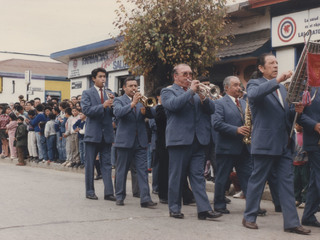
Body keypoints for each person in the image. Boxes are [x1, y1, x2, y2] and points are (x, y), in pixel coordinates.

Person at [242, 53, 310, 235]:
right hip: (264, 143)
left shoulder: (283, 90)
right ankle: (249, 217)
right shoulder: (255, 84)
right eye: (271, 63)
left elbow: (286, 116)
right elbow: (254, 96)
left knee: (287, 184)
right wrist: (278, 80)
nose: (275, 65)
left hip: (283, 144)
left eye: (277, 63)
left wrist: (296, 110)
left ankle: (291, 223)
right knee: (257, 181)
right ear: (261, 68)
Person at [161, 63, 221, 220]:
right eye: (185, 74)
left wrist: (204, 98)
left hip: (198, 140)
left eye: (190, 73)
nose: (189, 76)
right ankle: (174, 208)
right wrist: (191, 92)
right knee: (176, 176)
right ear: (176, 76)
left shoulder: (196, 93)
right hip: (179, 141)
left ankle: (204, 210)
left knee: (198, 177)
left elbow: (212, 110)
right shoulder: (168, 91)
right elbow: (173, 106)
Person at [113, 76, 156, 208]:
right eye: (131, 86)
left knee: (142, 171)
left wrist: (147, 109)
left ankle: (145, 199)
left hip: (140, 141)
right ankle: (120, 196)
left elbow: (153, 114)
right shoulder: (118, 100)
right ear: (124, 88)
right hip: (124, 141)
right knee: (122, 170)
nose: (134, 88)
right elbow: (118, 113)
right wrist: (132, 104)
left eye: (135, 86)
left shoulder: (141, 100)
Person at [212, 76, 252, 214]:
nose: (239, 87)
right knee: (222, 178)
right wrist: (236, 130)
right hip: (226, 147)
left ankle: (252, 207)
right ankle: (219, 205)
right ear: (226, 87)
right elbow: (216, 124)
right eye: (235, 85)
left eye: (239, 84)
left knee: (248, 177)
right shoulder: (219, 103)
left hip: (244, 146)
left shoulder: (244, 103)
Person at [81, 67, 115, 201]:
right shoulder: (87, 93)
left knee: (107, 164)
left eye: (104, 77)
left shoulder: (110, 93)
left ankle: (109, 192)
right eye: (100, 77)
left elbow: (114, 113)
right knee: (90, 164)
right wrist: (103, 105)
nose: (103, 79)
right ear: (93, 79)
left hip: (106, 134)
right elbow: (87, 110)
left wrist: (113, 104)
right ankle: (89, 191)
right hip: (93, 134)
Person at [298, 87, 320, 227]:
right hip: (315, 141)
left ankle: (308, 216)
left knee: (315, 180)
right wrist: (314, 125)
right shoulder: (306, 89)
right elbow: (297, 113)